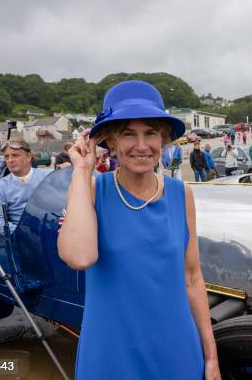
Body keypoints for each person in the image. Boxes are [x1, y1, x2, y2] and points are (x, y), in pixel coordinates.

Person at [57, 80, 220, 380]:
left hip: (176, 351)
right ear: (112, 142)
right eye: (129, 134)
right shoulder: (92, 189)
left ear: (164, 141)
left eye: (151, 134)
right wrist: (82, 170)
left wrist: (211, 358)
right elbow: (78, 257)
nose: (142, 146)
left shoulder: (181, 193)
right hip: (111, 354)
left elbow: (193, 278)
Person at [0, 139, 50, 235]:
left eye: (15, 155)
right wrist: (25, 232)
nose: (10, 160)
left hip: (52, 229)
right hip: (25, 239)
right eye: (6, 156)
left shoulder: (47, 176)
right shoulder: (0, 187)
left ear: (28, 156)